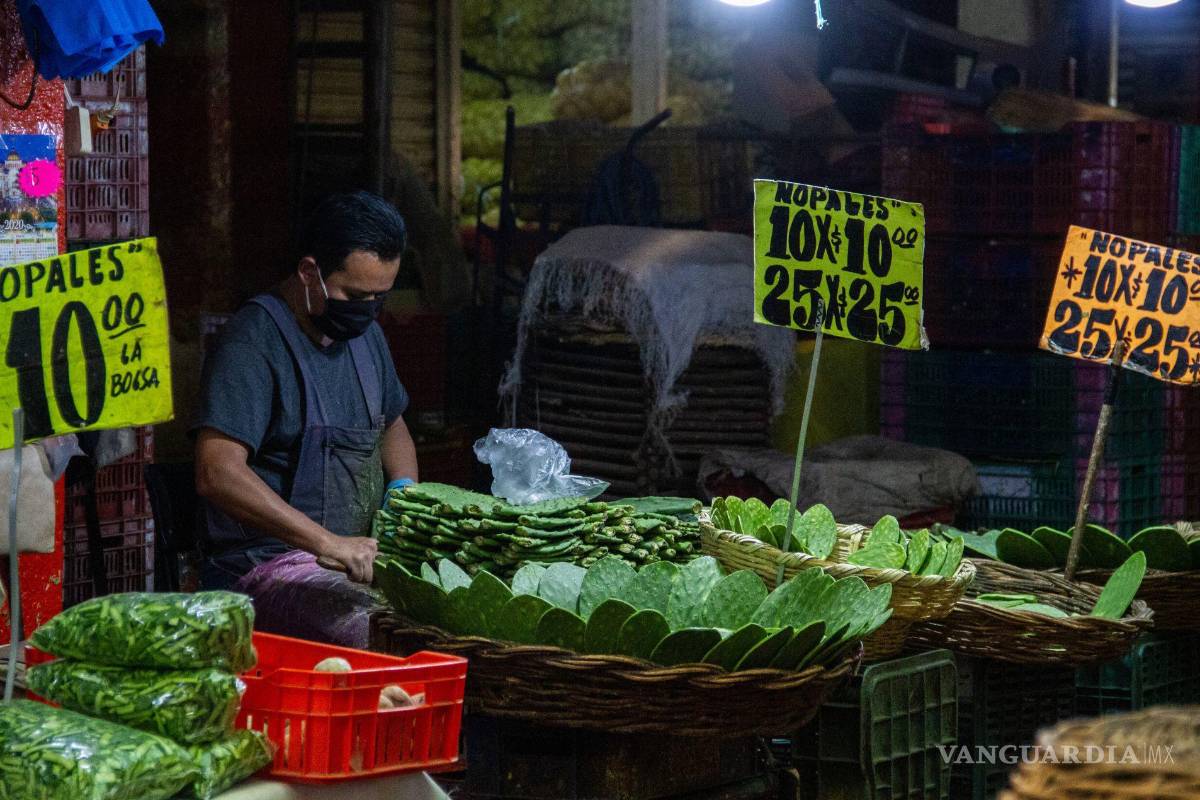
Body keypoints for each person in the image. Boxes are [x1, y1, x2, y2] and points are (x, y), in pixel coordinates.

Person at [194, 191, 418, 589]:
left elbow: (393, 426)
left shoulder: (367, 338)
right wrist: (327, 544)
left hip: (352, 558)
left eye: (378, 297)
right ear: (309, 272)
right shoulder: (252, 343)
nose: (367, 309)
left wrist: (403, 492)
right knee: (366, 626)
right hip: (262, 567)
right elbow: (217, 471)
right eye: (354, 295)